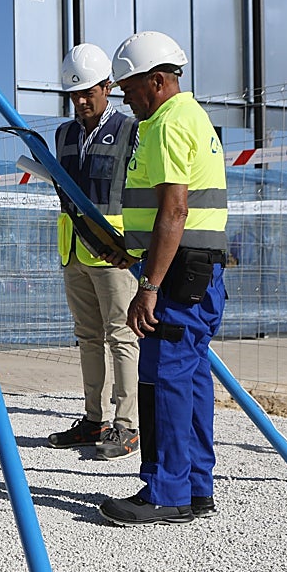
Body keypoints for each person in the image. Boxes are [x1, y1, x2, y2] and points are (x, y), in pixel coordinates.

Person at [98, 31, 228, 526]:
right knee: (190, 378)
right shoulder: (190, 116)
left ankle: (166, 492)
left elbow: (174, 209)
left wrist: (148, 286)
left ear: (157, 80)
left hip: (176, 276)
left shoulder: (169, 123)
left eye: (129, 87)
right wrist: (130, 250)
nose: (124, 98)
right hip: (198, 271)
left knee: (166, 379)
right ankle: (195, 486)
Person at [46, 44, 140, 460]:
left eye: (89, 92)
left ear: (107, 88)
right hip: (73, 250)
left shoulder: (129, 130)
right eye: (75, 94)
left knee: (121, 336)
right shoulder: (63, 134)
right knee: (87, 338)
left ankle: (127, 425)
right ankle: (92, 420)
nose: (81, 101)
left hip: (113, 251)